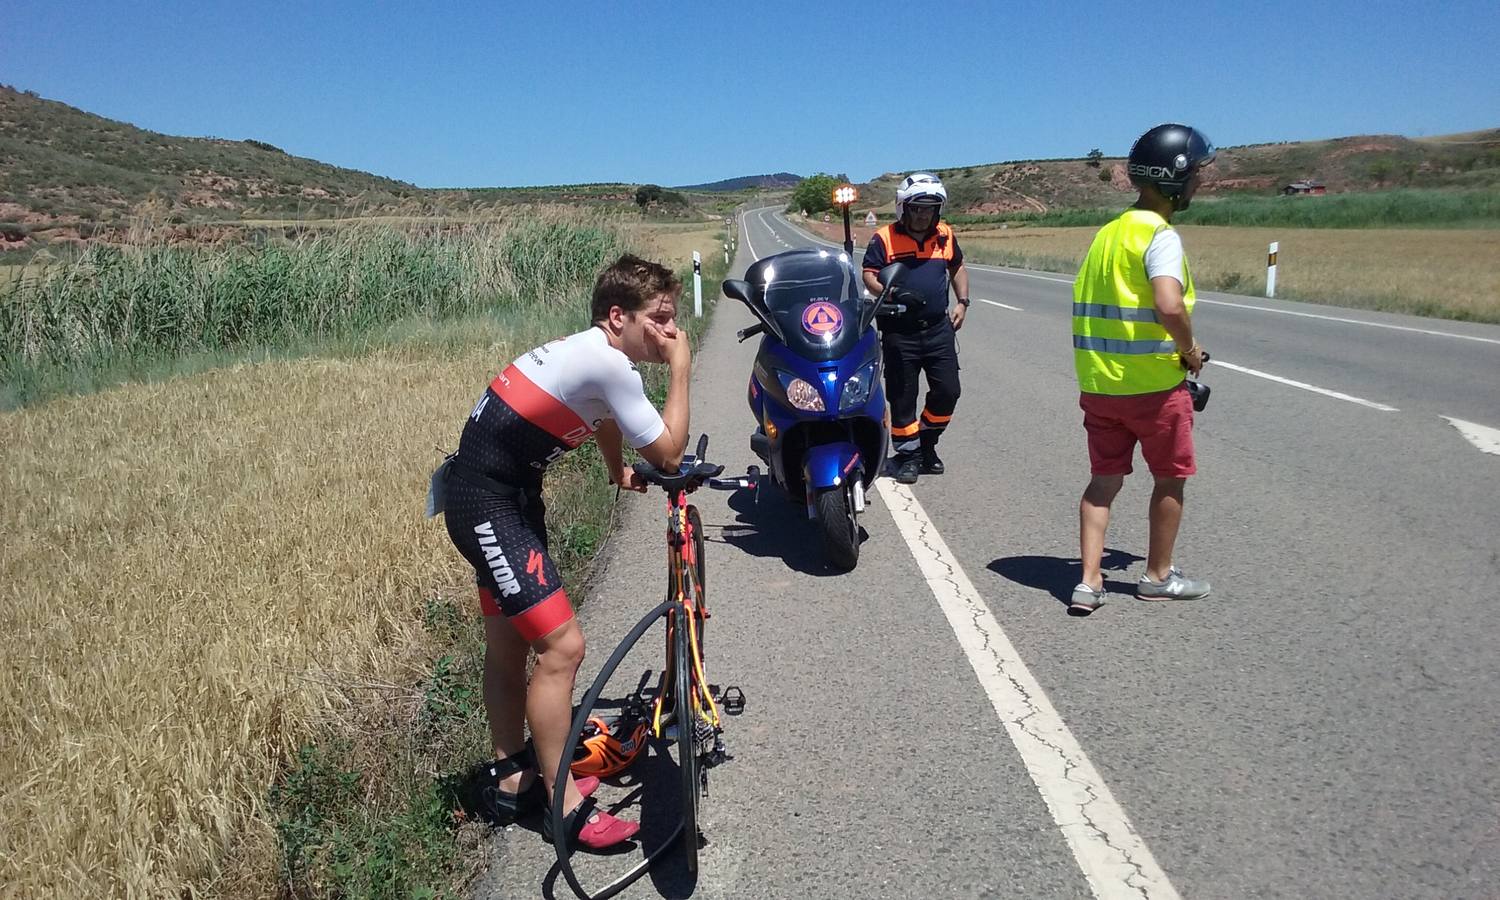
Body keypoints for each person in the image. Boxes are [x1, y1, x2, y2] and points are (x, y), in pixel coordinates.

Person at [436, 254, 692, 848]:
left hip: (498, 497)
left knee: (508, 645)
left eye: (673, 321)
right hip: (489, 506)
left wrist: (615, 470)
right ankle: (564, 807)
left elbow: (602, 416)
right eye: (659, 319)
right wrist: (682, 368)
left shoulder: (591, 356)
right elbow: (671, 454)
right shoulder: (609, 363)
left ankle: (511, 779)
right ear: (617, 316)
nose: (670, 331)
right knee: (563, 648)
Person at [1069, 123, 1216, 614]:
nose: (1200, 181)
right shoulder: (1159, 235)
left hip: (1100, 386)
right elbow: (1168, 303)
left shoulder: (1108, 234)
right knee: (1170, 479)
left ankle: (1088, 583)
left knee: (1103, 483)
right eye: (1196, 173)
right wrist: (1190, 350)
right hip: (1154, 389)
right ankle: (1157, 576)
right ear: (1176, 177)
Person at [862, 172, 971, 484]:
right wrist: (890, 292)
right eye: (917, 208)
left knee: (948, 391)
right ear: (903, 208)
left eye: (930, 209)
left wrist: (963, 302)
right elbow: (869, 274)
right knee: (902, 398)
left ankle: (927, 443)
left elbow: (957, 267)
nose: (923, 215)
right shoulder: (884, 238)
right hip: (900, 332)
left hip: (938, 330)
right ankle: (908, 456)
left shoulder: (945, 235)